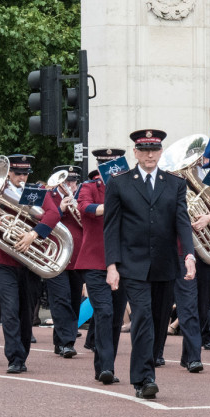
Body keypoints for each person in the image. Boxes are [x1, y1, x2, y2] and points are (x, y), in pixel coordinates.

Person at [103, 130, 197, 400]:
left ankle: (148, 368)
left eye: (154, 149)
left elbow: (182, 221)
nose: (149, 155)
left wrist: (189, 255)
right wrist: (112, 265)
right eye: (144, 150)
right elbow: (111, 229)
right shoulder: (119, 182)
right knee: (142, 317)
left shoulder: (175, 183)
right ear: (135, 152)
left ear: (160, 151)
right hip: (132, 264)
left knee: (158, 321)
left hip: (165, 264)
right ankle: (144, 379)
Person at [0, 155, 64, 374]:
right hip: (3, 258)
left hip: (30, 260)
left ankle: (22, 354)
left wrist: (33, 234)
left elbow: (53, 213)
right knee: (10, 309)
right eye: (18, 173)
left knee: (26, 311)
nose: (22, 177)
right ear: (8, 173)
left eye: (25, 173)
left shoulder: (35, 192)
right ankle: (14, 357)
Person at [76, 148, 130, 384]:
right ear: (99, 167)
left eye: (115, 164)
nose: (111, 169)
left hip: (123, 261)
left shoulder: (130, 187)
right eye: (106, 164)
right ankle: (107, 367)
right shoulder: (89, 187)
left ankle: (103, 366)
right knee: (104, 312)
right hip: (95, 261)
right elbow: (86, 208)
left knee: (116, 317)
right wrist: (113, 202)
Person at [45, 165, 84, 359]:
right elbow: (41, 223)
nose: (71, 185)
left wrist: (79, 209)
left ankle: (60, 341)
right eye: (67, 181)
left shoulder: (81, 197)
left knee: (74, 300)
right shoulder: (48, 198)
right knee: (60, 298)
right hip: (55, 255)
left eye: (73, 181)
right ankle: (67, 342)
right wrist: (60, 210)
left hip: (76, 257)